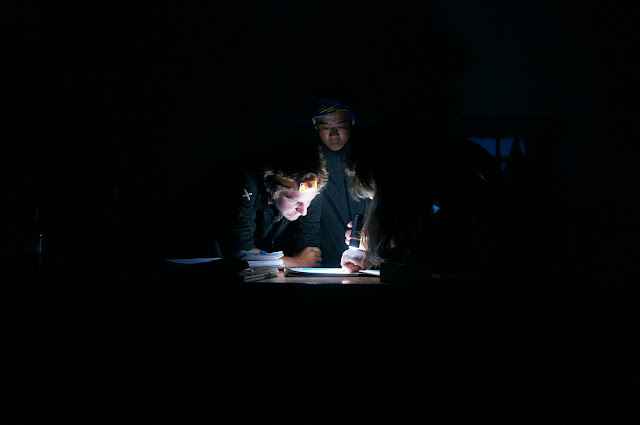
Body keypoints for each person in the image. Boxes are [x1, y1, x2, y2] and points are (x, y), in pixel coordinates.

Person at [339, 124, 503, 279]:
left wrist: (377, 254)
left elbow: (436, 258)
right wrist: (375, 251)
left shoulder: (453, 182)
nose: (375, 203)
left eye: (376, 195)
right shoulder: (427, 179)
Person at [210, 137, 329, 268]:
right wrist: (296, 262)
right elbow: (239, 253)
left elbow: (310, 255)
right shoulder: (244, 180)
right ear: (269, 185)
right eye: (294, 200)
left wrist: (298, 261)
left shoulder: (308, 194)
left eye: (309, 201)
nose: (303, 211)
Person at [282, 98, 370, 267]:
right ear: (315, 124)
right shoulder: (310, 162)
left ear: (351, 122)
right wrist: (307, 258)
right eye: (327, 127)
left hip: (367, 252)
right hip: (325, 257)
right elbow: (307, 216)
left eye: (340, 126)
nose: (333, 134)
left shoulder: (366, 159)